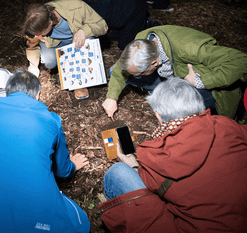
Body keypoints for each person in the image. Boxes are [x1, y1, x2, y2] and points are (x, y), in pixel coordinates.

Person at [0, 70, 90, 233]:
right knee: (81, 223)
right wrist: (73, 166)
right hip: (35, 214)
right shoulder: (52, 120)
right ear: (38, 94)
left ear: (8, 92)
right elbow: (62, 170)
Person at [98, 77, 247, 232]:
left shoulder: (158, 156)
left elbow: (148, 182)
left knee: (119, 173)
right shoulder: (225, 124)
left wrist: (134, 165)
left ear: (158, 116)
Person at [102, 25, 247, 119]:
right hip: (171, 75)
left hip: (209, 84)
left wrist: (199, 81)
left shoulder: (190, 48)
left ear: (154, 62)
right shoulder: (140, 44)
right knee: (119, 70)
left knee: (173, 107)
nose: (135, 77)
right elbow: (120, 71)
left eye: (139, 73)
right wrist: (112, 97)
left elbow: (241, 60)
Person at [22, 0, 108, 99]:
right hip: (55, 42)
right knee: (49, 61)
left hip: (78, 40)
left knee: (89, 40)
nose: (37, 35)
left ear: (50, 23)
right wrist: (33, 65)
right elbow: (32, 41)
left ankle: (80, 83)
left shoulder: (77, 7)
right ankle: (60, 65)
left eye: (40, 33)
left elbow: (103, 25)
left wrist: (84, 31)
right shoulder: (37, 19)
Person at [83, 0, 161, 51]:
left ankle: (149, 26)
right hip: (126, 5)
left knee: (124, 45)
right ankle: (142, 24)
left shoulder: (94, 17)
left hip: (136, 9)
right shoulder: (84, 9)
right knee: (110, 35)